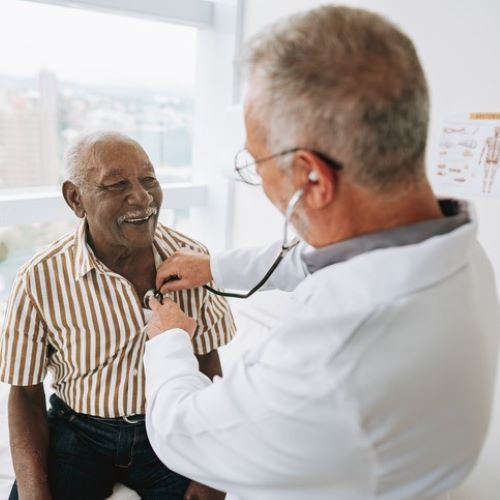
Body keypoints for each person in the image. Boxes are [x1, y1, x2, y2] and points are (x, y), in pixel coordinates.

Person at [143, 6, 500, 500]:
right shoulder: (460, 253)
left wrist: (169, 340)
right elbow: (321, 258)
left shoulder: (331, 359)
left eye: (254, 162)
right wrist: (215, 266)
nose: (257, 178)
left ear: (312, 178)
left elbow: (179, 431)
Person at [0, 131, 236, 500]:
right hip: (79, 431)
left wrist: (210, 476)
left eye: (149, 180)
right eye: (116, 184)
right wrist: (33, 493)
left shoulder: (193, 259)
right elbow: (26, 393)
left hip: (167, 427)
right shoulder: (39, 278)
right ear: (75, 199)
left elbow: (208, 364)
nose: (143, 198)